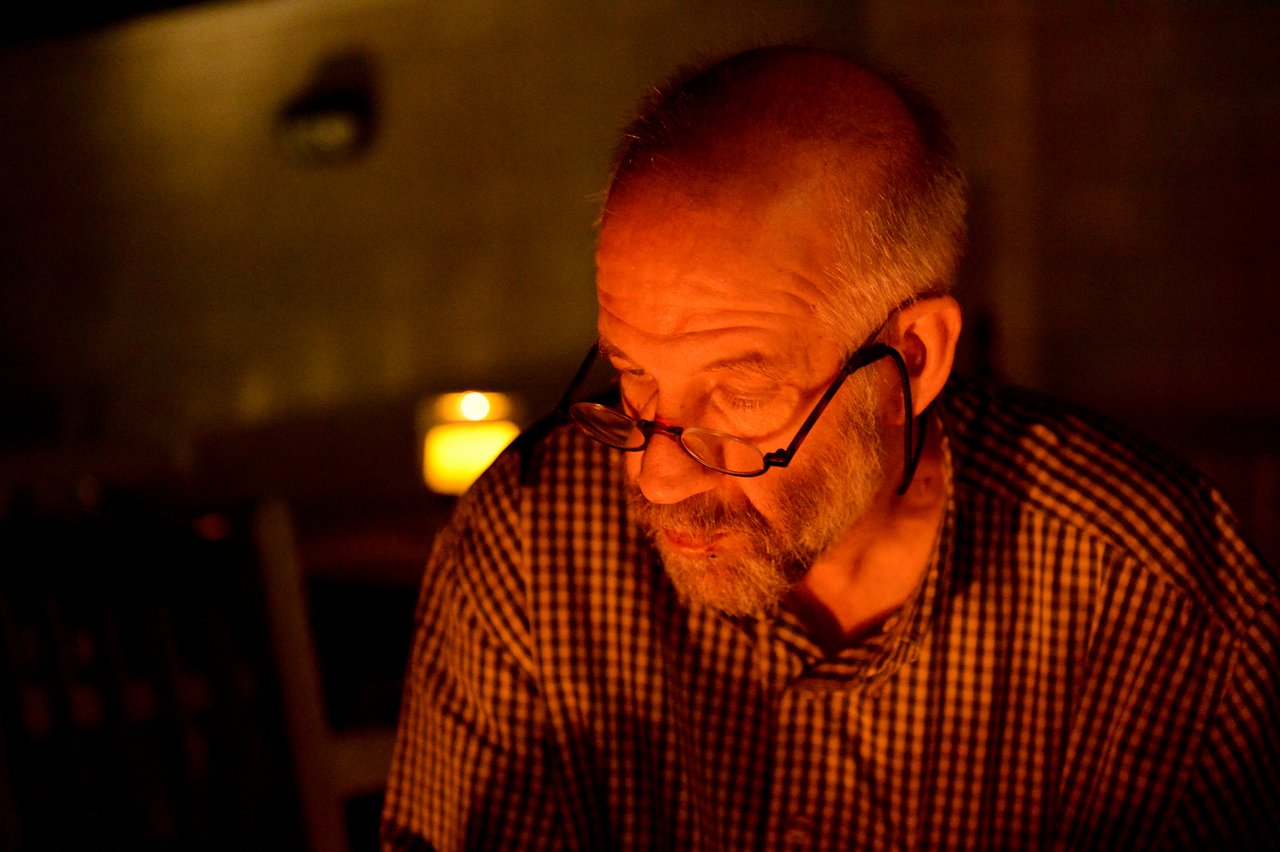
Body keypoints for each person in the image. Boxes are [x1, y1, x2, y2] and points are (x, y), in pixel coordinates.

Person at [381, 45, 1279, 850]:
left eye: (738, 395)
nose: (654, 472)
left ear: (913, 360)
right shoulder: (533, 543)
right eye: (634, 378)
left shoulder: (1150, 598)